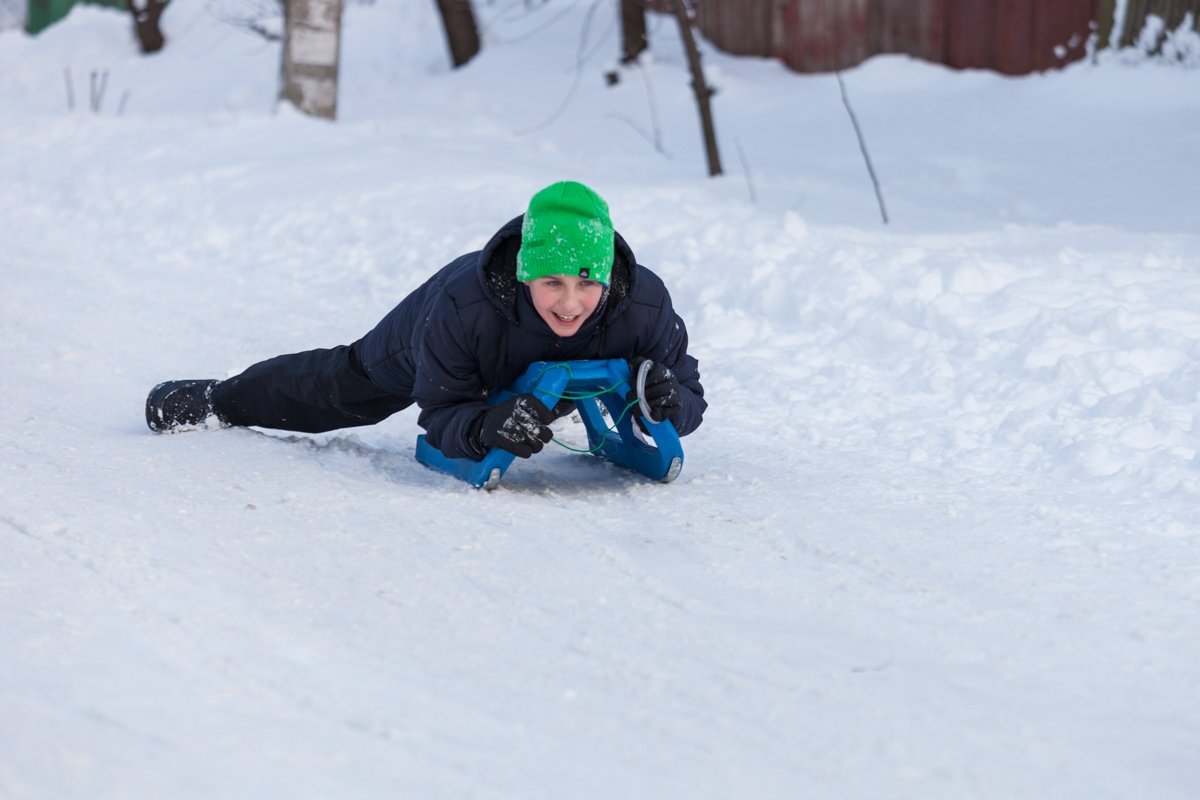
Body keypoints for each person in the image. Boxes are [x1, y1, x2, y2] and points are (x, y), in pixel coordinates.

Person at [145, 180, 706, 461]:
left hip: (539, 365)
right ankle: (225, 399)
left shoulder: (646, 305)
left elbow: (690, 395)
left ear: (607, 282)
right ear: (526, 274)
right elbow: (439, 414)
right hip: (458, 344)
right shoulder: (464, 308)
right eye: (552, 282)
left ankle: (538, 406)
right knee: (346, 389)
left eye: (587, 284)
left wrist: (670, 406)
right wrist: (483, 427)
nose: (569, 302)